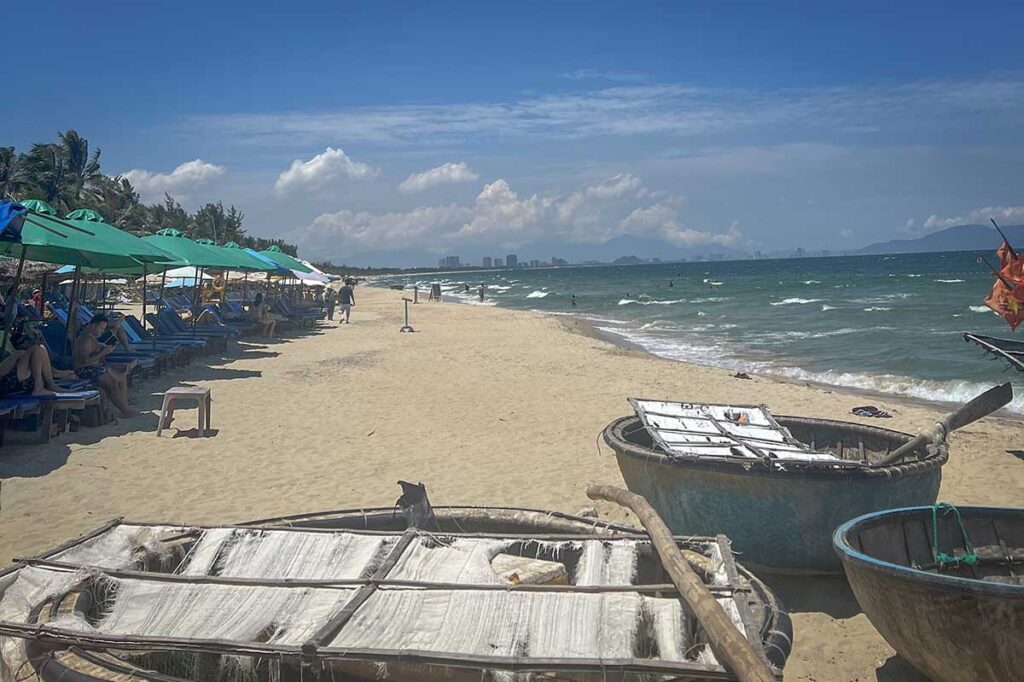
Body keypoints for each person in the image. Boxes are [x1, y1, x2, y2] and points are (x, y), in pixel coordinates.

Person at [72, 313, 136, 417]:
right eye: (101, 328)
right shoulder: (85, 340)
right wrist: (103, 352)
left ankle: (125, 408)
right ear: (93, 326)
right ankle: (125, 410)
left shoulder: (92, 338)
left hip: (95, 368)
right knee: (112, 384)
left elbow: (96, 356)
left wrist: (106, 359)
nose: (102, 331)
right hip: (85, 370)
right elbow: (85, 361)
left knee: (122, 377)